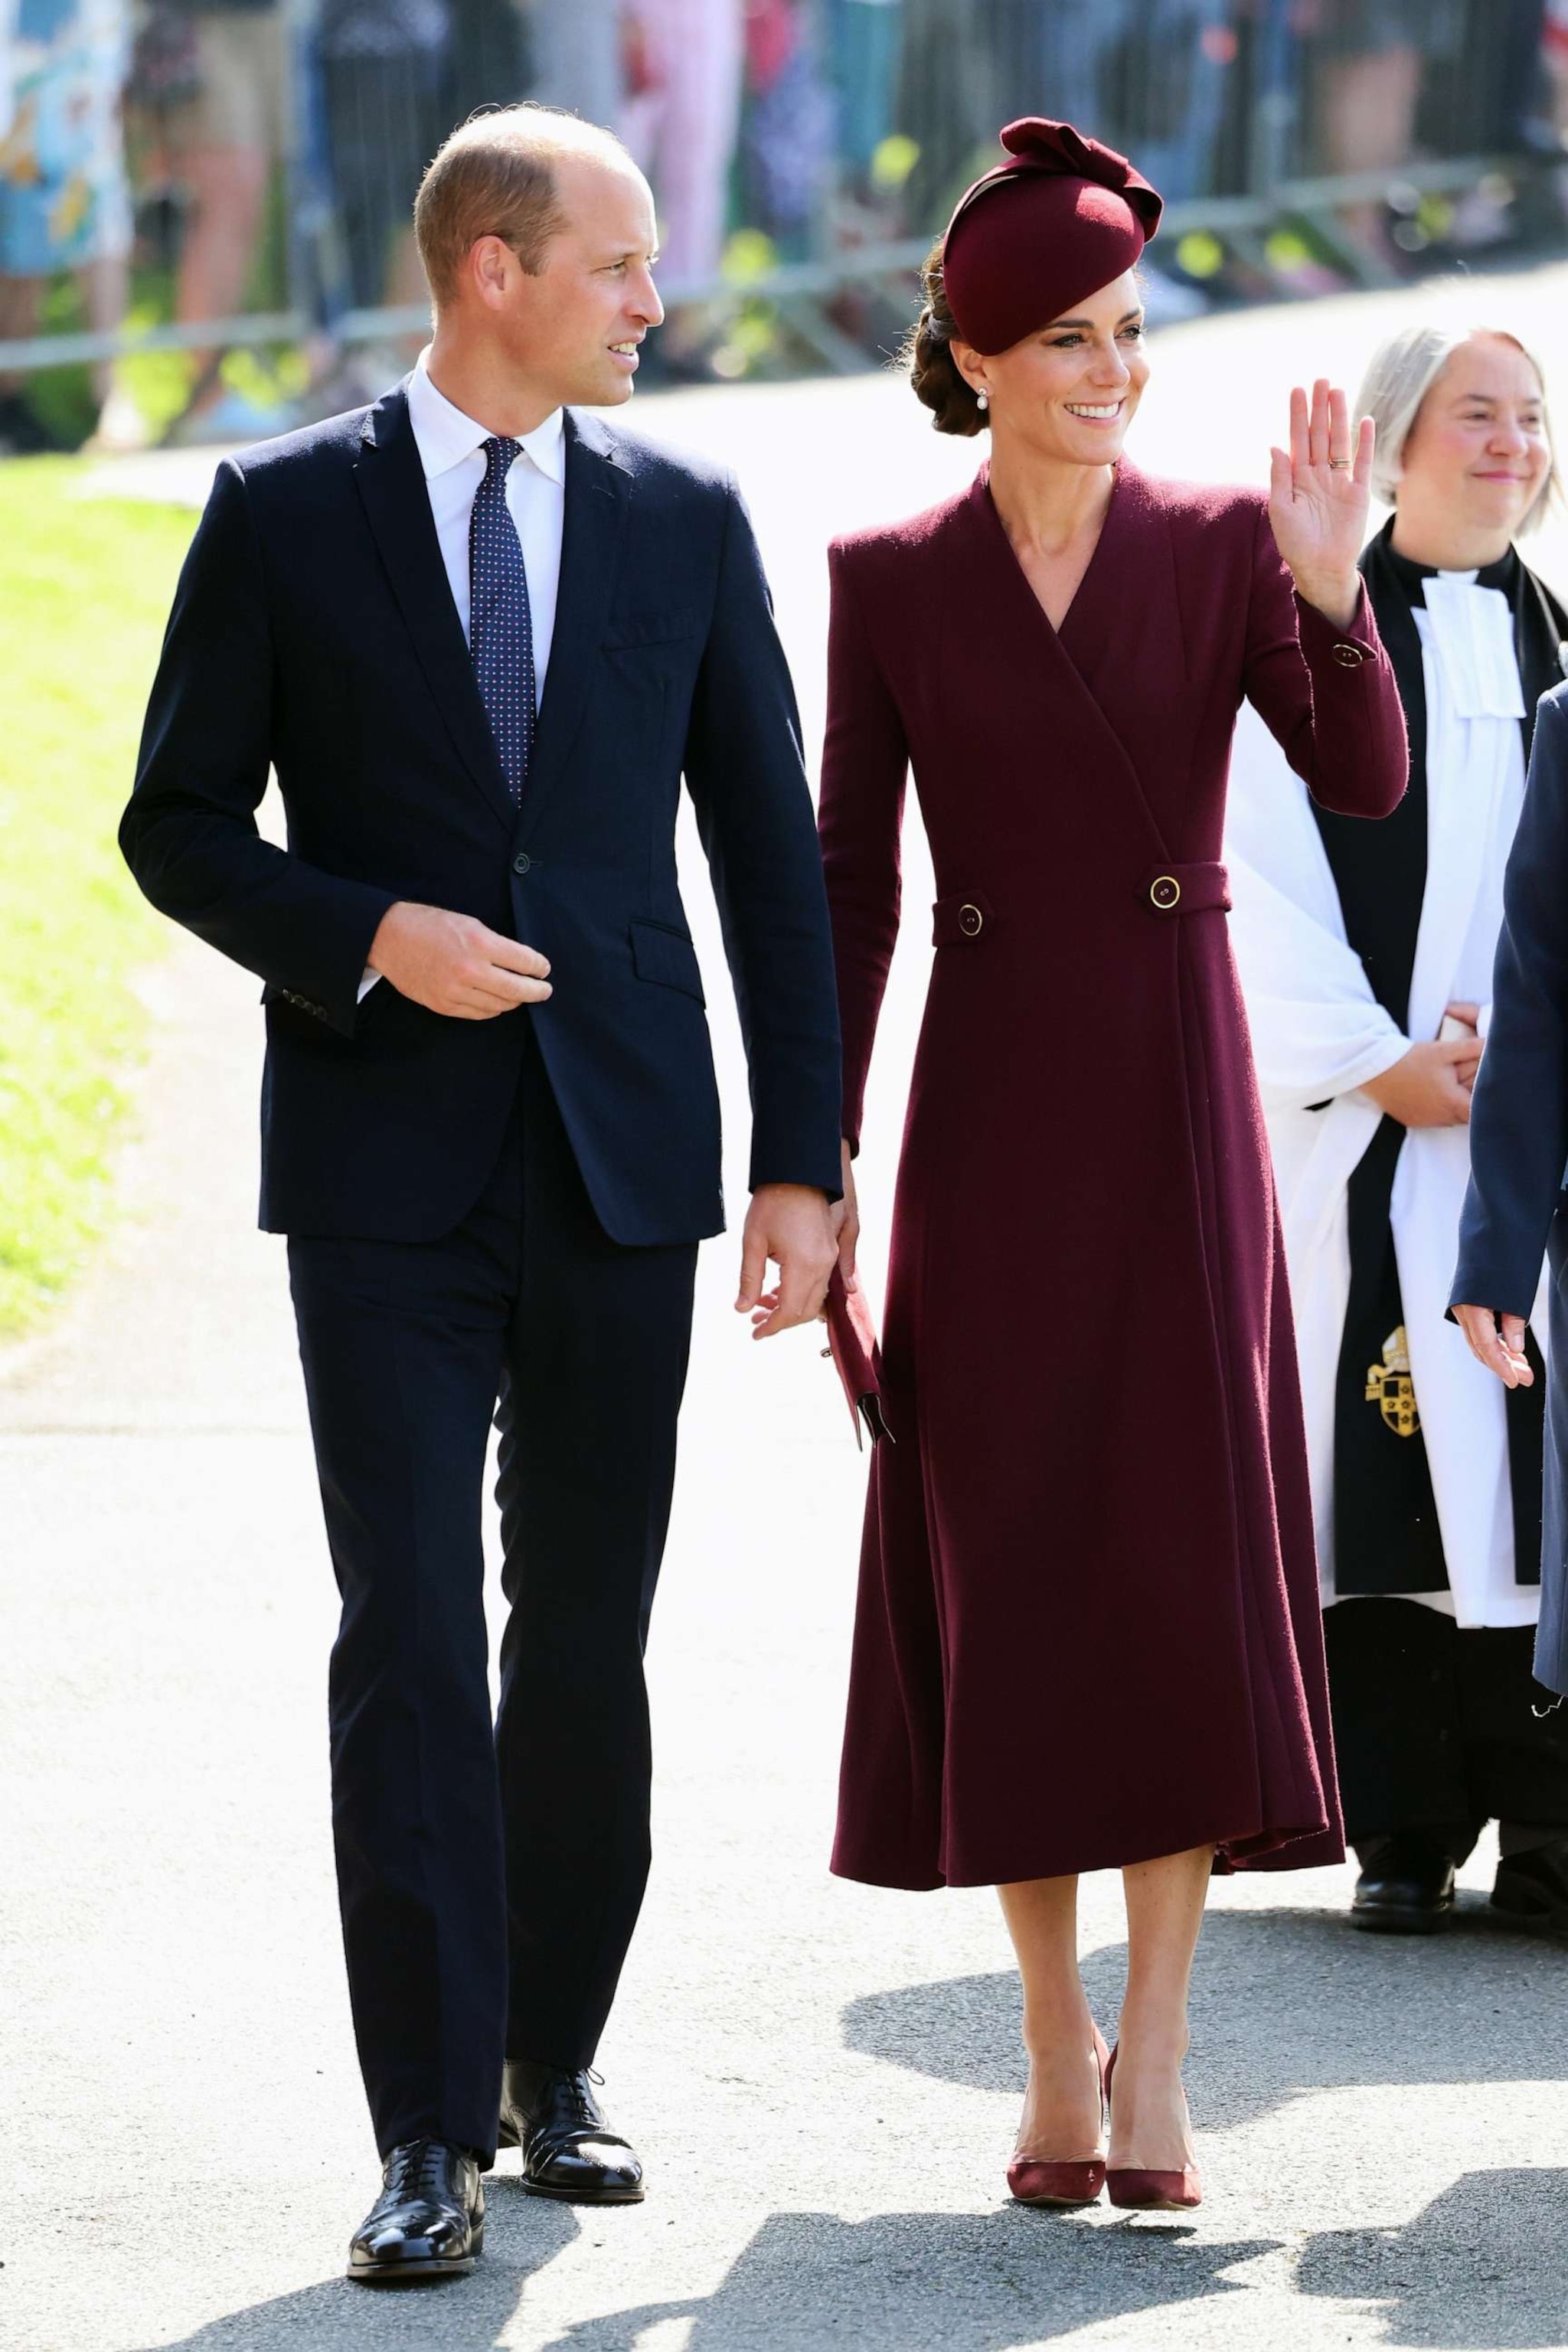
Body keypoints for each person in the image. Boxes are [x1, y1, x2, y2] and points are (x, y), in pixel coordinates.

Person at [120, 103, 842, 2285]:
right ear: (493, 271)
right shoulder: (279, 514)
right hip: (383, 1171)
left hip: (626, 1161)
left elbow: (772, 864)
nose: (658, 300)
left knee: (587, 1637)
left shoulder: (688, 517)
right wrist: (366, 935)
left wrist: (804, 1161)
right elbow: (176, 827)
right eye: (622, 263)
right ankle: (424, 2131)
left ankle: (558, 2060)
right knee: (413, 1633)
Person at [818, 116, 1407, 2214]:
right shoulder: (885, 581)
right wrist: (822, 1160)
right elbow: (848, 897)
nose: (1112, 369)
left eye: (1131, 333)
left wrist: (1335, 594)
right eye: (1068, 338)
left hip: (1173, 1107)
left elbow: (1358, 773)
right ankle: (1046, 2050)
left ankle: (1153, 2060)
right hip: (989, 1123)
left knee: (1165, 1579)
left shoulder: (1223, 547)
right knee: (1019, 1580)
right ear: (977, 355)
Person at [1227, 321, 1568, 1939]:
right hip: (1373, 1131)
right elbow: (1249, 875)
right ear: (1386, 443)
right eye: (1471, 416)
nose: (1507, 443)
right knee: (1388, 1463)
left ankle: (1554, 1826)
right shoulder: (1303, 649)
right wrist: (1372, 1061)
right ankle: (1405, 1824)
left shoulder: (1561, 651)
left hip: (1539, 1141)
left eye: (1529, 418)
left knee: (1536, 1467)